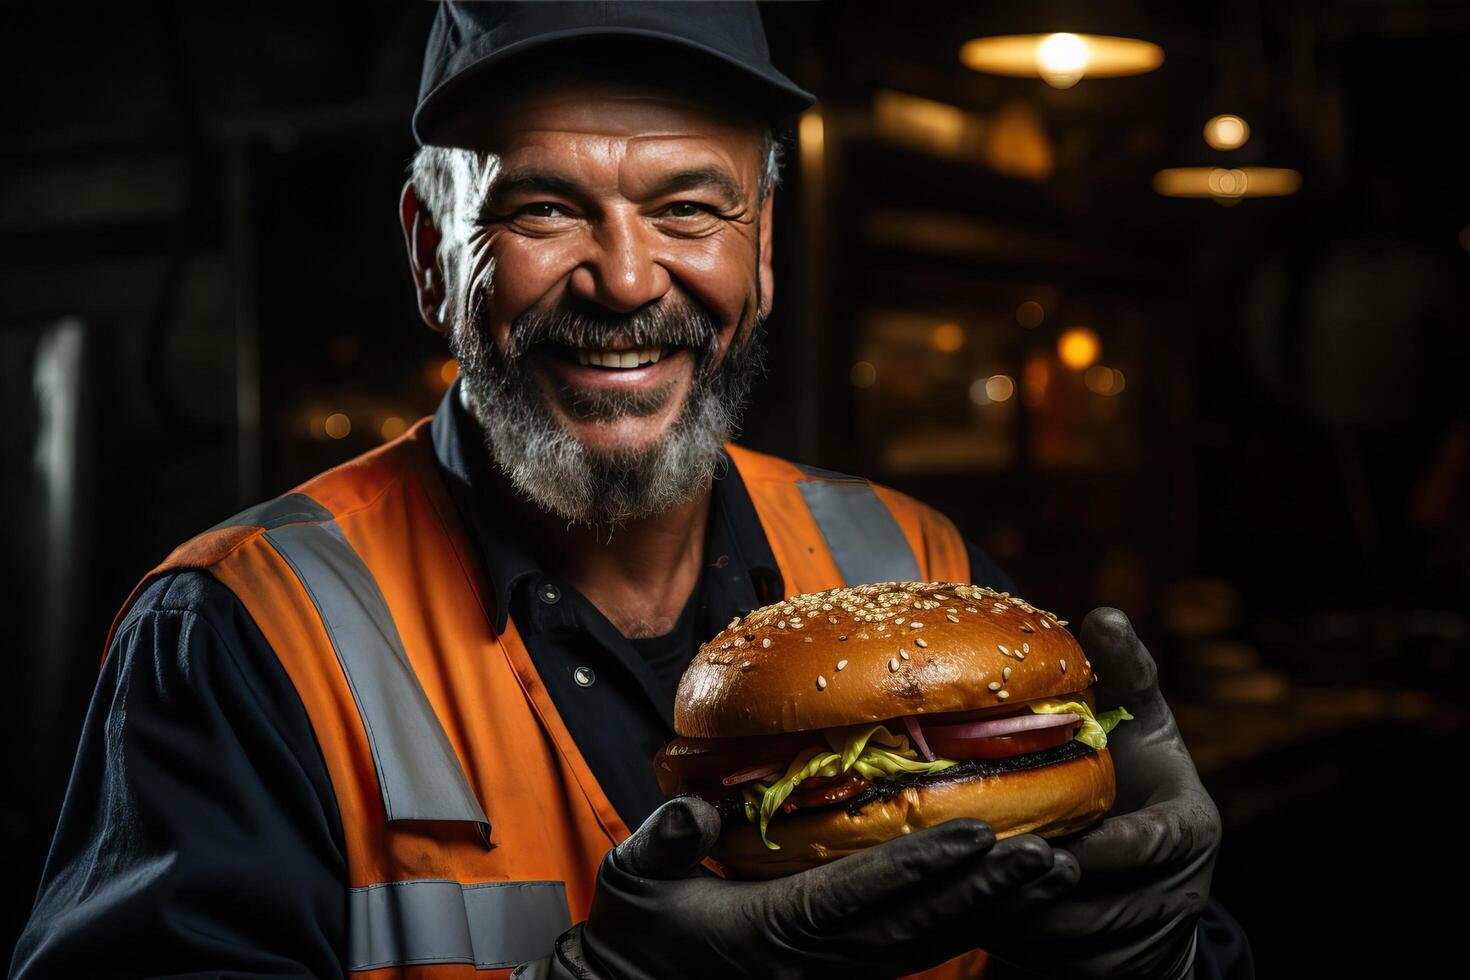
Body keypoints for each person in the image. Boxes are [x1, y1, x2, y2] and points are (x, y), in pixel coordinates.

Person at [11, 4, 1251, 978]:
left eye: (688, 208)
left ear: (759, 255)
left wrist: (1157, 954)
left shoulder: (916, 556)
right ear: (430, 253)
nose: (621, 279)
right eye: (545, 206)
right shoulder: (245, 630)